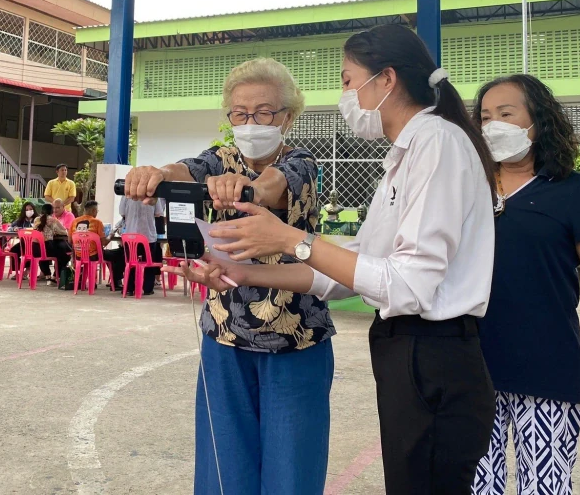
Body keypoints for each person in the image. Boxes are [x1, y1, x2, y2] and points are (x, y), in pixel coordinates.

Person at [170, 28, 497, 495]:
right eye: (240, 112)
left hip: (433, 349)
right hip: (404, 348)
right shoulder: (405, 155)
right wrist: (244, 272)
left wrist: (289, 236)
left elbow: (406, 284)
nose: (343, 95)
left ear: (385, 80)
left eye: (347, 81)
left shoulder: (435, 143)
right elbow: (352, 267)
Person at [125, 56, 332, 495]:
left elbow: (275, 184)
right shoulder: (220, 158)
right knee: (223, 469)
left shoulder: (301, 162)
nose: (250, 122)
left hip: (296, 341)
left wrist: (244, 188)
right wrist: (157, 174)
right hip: (225, 336)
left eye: (263, 112)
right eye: (239, 113)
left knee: (291, 472)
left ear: (287, 117)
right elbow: (187, 170)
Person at [469, 75, 580, 494]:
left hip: (547, 372)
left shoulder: (576, 193)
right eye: (485, 117)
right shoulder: (467, 188)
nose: (493, 126)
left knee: (545, 487)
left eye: (506, 114)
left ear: (539, 121)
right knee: (471, 486)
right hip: (470, 369)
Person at [117, 197, 166, 295]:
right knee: (148, 263)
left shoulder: (126, 195)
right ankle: (148, 289)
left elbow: (122, 212)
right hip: (148, 236)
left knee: (130, 263)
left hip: (130, 237)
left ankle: (129, 288)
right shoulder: (154, 196)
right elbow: (158, 213)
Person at [35, 203, 72, 287]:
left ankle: (48, 276)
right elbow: (64, 232)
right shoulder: (53, 220)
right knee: (64, 256)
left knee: (43, 255)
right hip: (47, 247)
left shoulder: (36, 219)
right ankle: (55, 277)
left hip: (36, 249)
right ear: (52, 212)